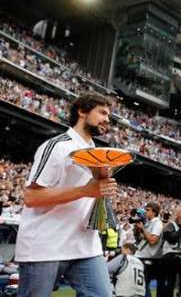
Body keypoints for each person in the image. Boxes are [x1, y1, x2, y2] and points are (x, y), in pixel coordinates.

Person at [15, 92, 116, 296]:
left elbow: (92, 194)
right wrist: (85, 190)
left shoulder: (98, 153)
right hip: (45, 245)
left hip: (86, 246)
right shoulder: (57, 146)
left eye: (109, 115)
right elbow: (31, 198)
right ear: (82, 111)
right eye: (102, 112)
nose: (107, 119)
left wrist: (101, 186)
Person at [162, 204, 181, 296]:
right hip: (170, 256)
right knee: (170, 282)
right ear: (178, 213)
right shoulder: (171, 225)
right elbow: (171, 239)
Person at [134, 202, 164, 296]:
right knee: (139, 285)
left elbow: (152, 240)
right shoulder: (148, 222)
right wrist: (138, 229)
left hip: (147, 259)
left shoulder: (158, 223)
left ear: (154, 212)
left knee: (143, 285)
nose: (145, 212)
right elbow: (142, 238)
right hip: (141, 255)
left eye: (148, 210)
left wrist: (143, 229)